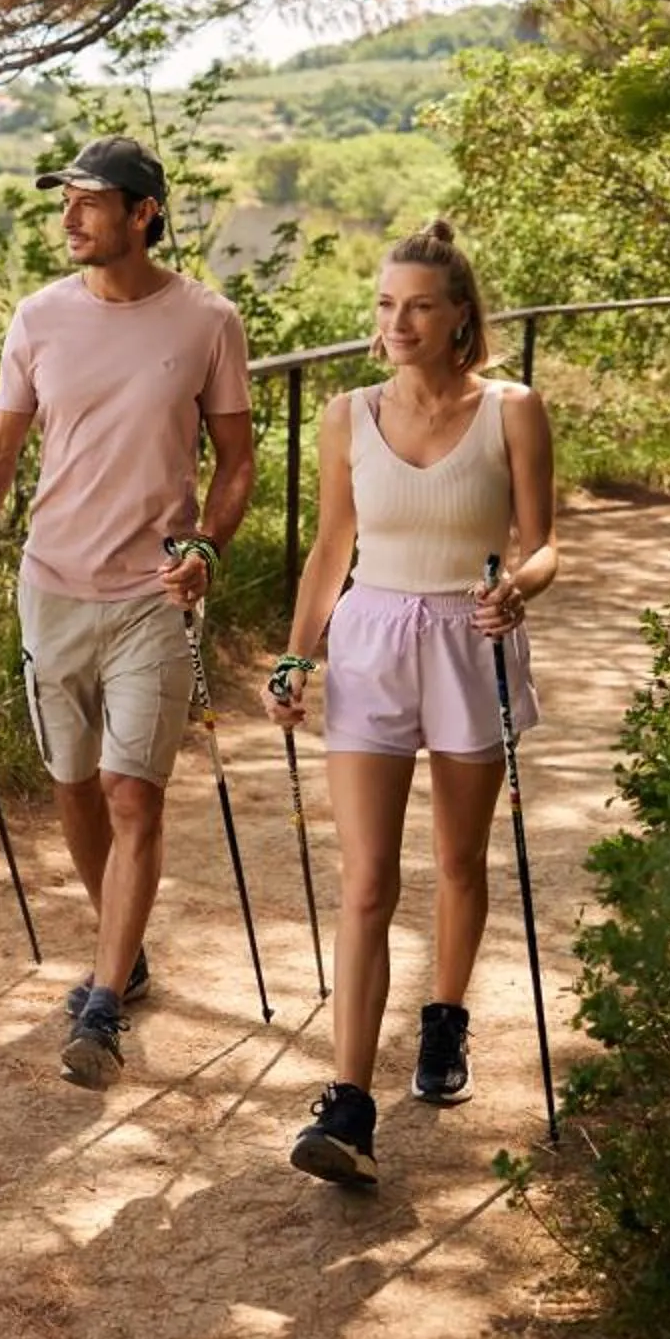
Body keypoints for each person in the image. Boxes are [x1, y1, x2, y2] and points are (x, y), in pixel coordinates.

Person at [0, 135, 256, 1088]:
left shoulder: (208, 320)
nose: (68, 217)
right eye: (63, 200)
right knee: (72, 785)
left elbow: (236, 462)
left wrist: (207, 546)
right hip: (51, 589)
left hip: (154, 596)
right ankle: (125, 949)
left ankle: (103, 1004)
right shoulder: (39, 318)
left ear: (144, 213)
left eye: (89, 201)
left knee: (129, 790)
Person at [261, 219, 555, 1185]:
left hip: (473, 641)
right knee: (367, 884)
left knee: (460, 860)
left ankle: (445, 1019)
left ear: (461, 315)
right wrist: (296, 658)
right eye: (388, 305)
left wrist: (518, 588)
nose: (399, 322)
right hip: (372, 643)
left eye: (420, 307)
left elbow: (545, 545)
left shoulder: (513, 409)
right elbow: (330, 547)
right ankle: (348, 1103)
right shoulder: (346, 415)